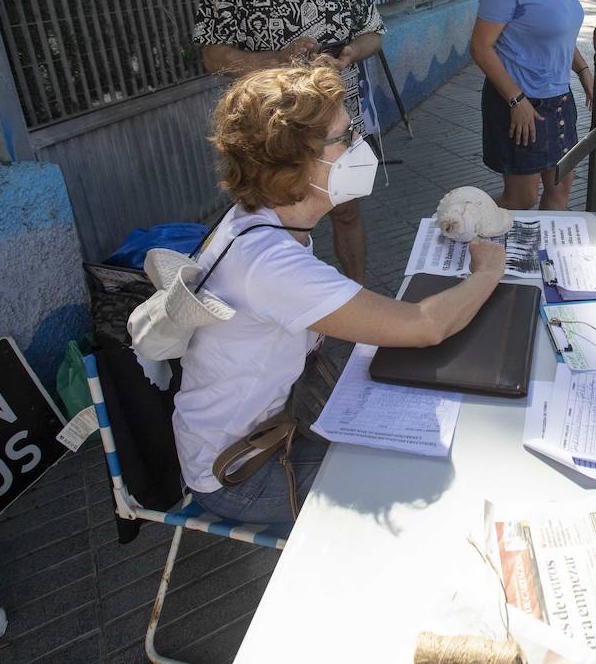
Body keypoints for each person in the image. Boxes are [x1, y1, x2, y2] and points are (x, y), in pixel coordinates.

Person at [176, 64, 505, 524]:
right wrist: (488, 272)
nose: (358, 145)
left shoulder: (261, 222)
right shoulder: (269, 264)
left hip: (267, 429)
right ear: (295, 161)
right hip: (240, 470)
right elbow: (426, 326)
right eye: (344, 137)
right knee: (427, 488)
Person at [193, 0, 384, 284]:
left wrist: (351, 51)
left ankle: (357, 300)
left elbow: (374, 34)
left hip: (339, 122)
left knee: (347, 210)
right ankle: (301, 320)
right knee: (282, 224)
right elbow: (214, 57)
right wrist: (279, 59)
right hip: (271, 131)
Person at [470, 0, 593, 210]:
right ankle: (460, 220)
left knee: (560, 191)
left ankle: (546, 262)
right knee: (521, 199)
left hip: (559, 101)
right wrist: (515, 100)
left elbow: (557, 29)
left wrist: (584, 72)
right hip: (520, 104)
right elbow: (480, 47)